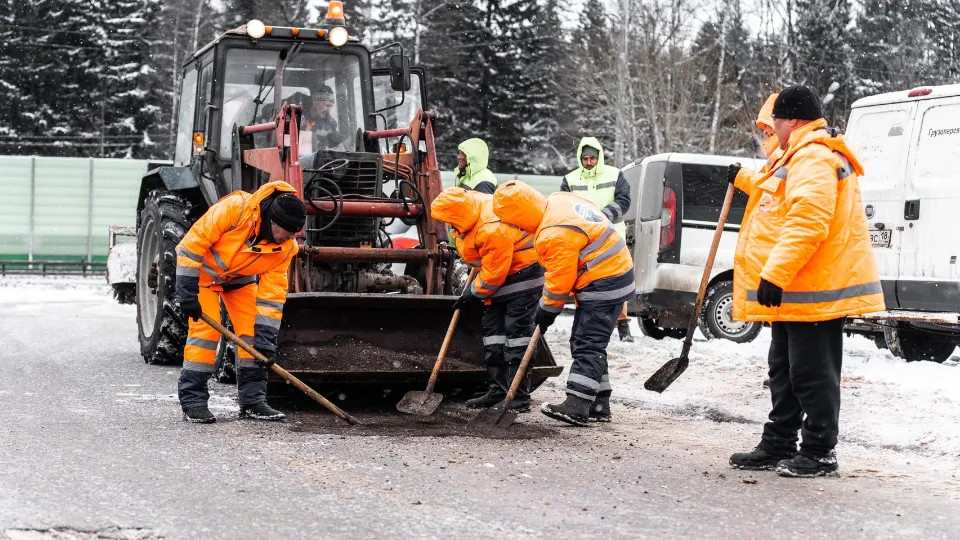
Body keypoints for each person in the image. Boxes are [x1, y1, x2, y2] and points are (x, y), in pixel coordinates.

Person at [726, 86, 884, 477]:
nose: (771, 130)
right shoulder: (800, 154)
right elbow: (777, 194)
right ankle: (779, 441)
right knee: (783, 369)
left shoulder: (813, 156)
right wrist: (743, 178)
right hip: (798, 292)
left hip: (814, 290)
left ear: (792, 120)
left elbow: (808, 221)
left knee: (811, 373)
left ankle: (819, 451)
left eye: (774, 122)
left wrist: (774, 273)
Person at [492, 180, 634, 426]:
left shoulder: (552, 232)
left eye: (513, 221)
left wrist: (546, 310)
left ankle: (578, 404)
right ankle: (599, 404)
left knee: (587, 343)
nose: (515, 227)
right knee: (591, 341)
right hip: (613, 273)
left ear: (520, 214)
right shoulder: (558, 201)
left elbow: (560, 281)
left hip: (603, 280)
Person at [175, 181, 307, 424]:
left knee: (251, 335)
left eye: (294, 235)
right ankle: (193, 401)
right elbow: (190, 246)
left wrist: (265, 343)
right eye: (288, 233)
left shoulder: (285, 249)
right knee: (206, 333)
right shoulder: (236, 209)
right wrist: (186, 295)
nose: (290, 239)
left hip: (238, 280)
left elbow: (272, 298)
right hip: (202, 278)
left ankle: (253, 401)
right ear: (273, 222)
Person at [431, 187, 545, 411]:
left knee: (517, 334)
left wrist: (471, 294)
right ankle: (498, 389)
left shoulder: (492, 229)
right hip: (500, 270)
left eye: (450, 221)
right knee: (494, 333)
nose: (449, 226)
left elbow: (494, 276)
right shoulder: (470, 208)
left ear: (458, 214)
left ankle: (518, 395)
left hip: (524, 273)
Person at [560, 137, 634, 343]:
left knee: (615, 280)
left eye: (593, 158)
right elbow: (563, 206)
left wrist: (605, 214)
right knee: (583, 280)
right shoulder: (570, 179)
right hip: (583, 239)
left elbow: (624, 201)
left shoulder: (615, 174)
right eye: (585, 158)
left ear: (599, 157)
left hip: (611, 238)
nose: (589, 162)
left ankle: (623, 324)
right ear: (580, 158)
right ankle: (584, 316)